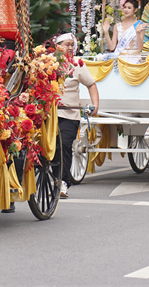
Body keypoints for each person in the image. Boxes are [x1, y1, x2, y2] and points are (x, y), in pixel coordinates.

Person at [53, 33, 99, 197]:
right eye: (67, 44)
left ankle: (63, 182)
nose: (70, 48)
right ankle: (52, 179)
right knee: (50, 148)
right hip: (50, 115)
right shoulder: (47, 62)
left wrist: (95, 105)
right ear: (57, 46)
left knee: (64, 146)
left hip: (69, 115)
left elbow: (91, 85)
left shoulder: (77, 64)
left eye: (72, 45)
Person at [102, 0, 149, 64]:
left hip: (134, 61)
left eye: (129, 8)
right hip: (120, 61)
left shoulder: (140, 25)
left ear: (135, 10)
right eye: (125, 7)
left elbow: (140, 48)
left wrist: (137, 33)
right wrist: (106, 32)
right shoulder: (117, 26)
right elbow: (112, 47)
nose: (126, 10)